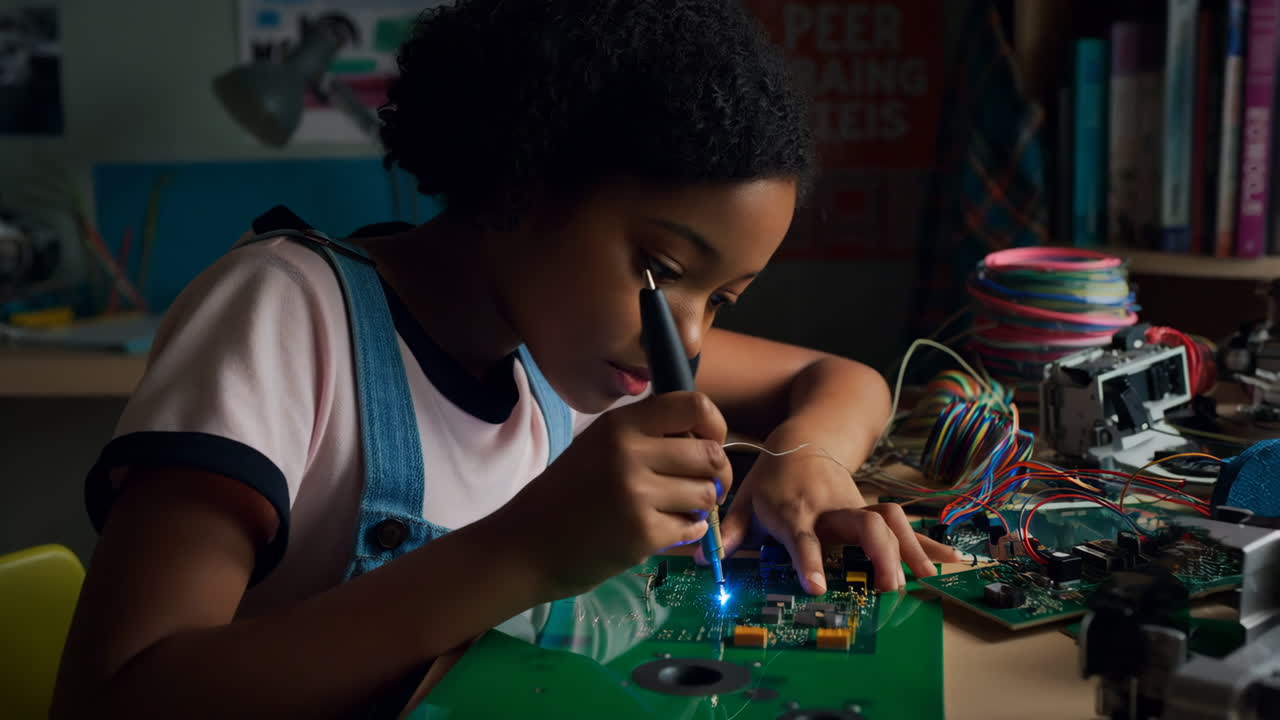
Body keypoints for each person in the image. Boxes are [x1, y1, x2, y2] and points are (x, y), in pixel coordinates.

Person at [52, 1, 959, 716]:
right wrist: (530, 549)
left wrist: (806, 466)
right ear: (522, 180)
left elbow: (845, 383)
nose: (685, 340)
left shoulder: (558, 343)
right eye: (662, 271)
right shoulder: (287, 316)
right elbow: (115, 702)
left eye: (722, 301)